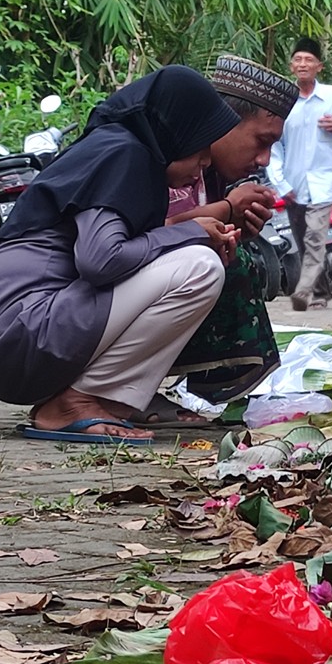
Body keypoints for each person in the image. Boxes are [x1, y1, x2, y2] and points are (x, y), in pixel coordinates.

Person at [0, 66, 241, 446]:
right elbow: (101, 260)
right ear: (175, 131)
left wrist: (190, 230)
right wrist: (191, 233)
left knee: (193, 256)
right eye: (201, 151)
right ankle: (75, 404)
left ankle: (88, 398)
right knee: (200, 268)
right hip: (19, 333)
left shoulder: (115, 149)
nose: (204, 165)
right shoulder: (125, 154)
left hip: (12, 337)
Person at [134, 56, 298, 426]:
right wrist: (223, 211)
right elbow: (131, 240)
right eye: (261, 141)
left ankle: (140, 389)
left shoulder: (214, 176)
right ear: (221, 121)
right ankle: (114, 390)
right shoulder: (150, 155)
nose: (263, 159)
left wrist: (233, 223)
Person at [266, 38, 332, 311]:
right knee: (303, 238)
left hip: (324, 182)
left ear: (319, 66)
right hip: (294, 183)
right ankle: (321, 291)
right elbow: (276, 146)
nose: (303, 64)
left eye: (308, 60)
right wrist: (280, 182)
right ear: (291, 66)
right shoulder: (283, 104)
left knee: (314, 236)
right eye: (298, 59)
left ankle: (306, 292)